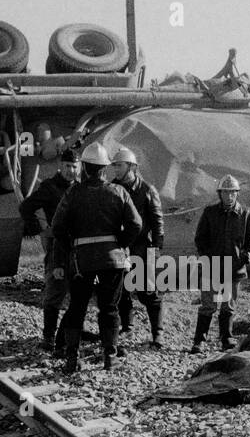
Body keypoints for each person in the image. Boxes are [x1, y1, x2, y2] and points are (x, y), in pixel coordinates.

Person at [51, 143, 143, 373]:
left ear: (85, 167)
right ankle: (110, 357)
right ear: (104, 169)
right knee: (109, 308)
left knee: (77, 307)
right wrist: (120, 243)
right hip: (112, 260)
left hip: (82, 260)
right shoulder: (118, 192)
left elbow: (57, 226)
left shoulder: (73, 193)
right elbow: (136, 224)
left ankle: (72, 359)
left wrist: (71, 247)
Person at [19, 147, 80, 353]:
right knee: (55, 294)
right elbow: (26, 207)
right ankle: (48, 338)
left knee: (79, 296)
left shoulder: (81, 188)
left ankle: (69, 337)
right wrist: (41, 230)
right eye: (68, 166)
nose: (71, 171)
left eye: (74, 167)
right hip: (57, 249)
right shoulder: (49, 187)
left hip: (79, 249)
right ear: (60, 166)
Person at [191, 175, 250, 353]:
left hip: (233, 268)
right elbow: (200, 238)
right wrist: (207, 257)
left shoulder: (246, 214)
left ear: (237, 194)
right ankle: (199, 341)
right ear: (219, 194)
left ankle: (226, 339)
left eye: (232, 193)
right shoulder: (210, 213)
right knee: (208, 305)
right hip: (211, 267)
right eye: (225, 193)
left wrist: (244, 258)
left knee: (228, 305)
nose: (229, 197)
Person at [110, 147, 166, 349]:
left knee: (148, 292)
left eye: (119, 165)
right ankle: (127, 326)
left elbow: (157, 220)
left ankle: (157, 333)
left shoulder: (147, 190)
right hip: (120, 246)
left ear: (132, 167)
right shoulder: (112, 188)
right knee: (120, 289)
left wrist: (157, 247)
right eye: (114, 165)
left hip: (143, 247)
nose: (116, 169)